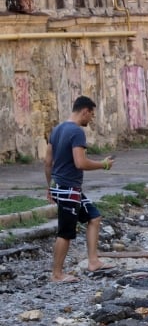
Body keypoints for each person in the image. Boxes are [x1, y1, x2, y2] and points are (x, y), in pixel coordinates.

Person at [44, 95, 116, 283]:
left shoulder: (56, 129)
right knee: (65, 233)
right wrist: (104, 165)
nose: (90, 120)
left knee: (94, 217)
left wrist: (49, 187)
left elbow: (47, 162)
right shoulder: (76, 132)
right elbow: (80, 162)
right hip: (68, 189)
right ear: (85, 111)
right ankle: (57, 274)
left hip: (62, 186)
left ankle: (93, 261)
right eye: (91, 115)